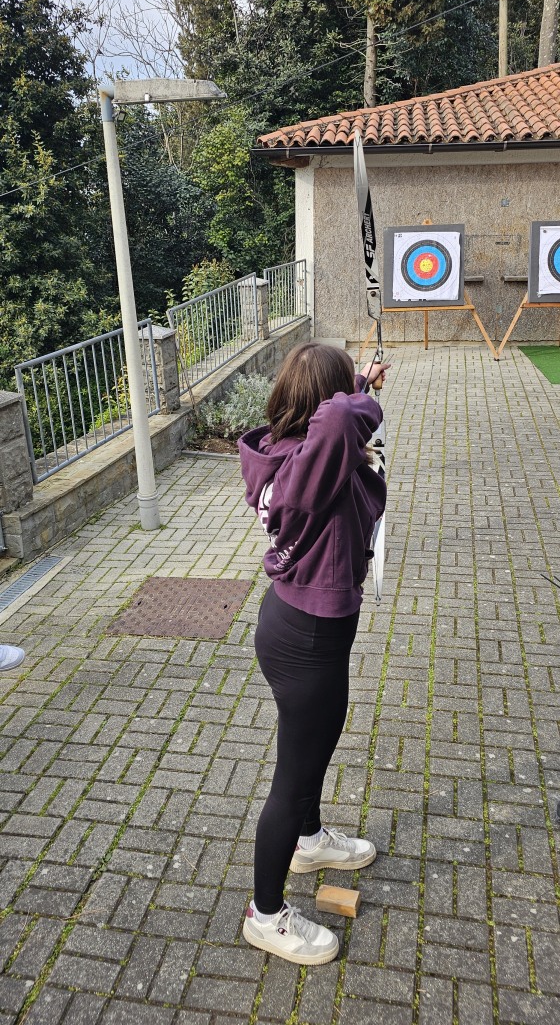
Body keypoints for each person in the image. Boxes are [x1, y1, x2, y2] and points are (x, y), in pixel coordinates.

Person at [238, 341, 389, 966]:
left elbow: (336, 419)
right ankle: (265, 914)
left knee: (313, 747)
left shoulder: (292, 450)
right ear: (324, 402)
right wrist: (357, 392)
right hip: (307, 639)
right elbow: (344, 418)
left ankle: (308, 839)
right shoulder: (314, 458)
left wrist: (355, 379)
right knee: (294, 775)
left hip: (296, 626)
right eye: (340, 391)